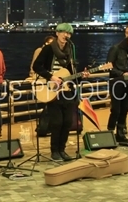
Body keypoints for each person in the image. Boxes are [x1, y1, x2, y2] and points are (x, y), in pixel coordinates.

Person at [33, 23, 89, 161]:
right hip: (51, 90)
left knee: (68, 121)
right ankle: (54, 151)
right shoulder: (48, 49)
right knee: (57, 122)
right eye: (64, 32)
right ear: (57, 33)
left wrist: (82, 75)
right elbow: (36, 66)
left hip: (66, 90)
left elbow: (71, 74)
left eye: (69, 33)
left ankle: (62, 150)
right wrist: (51, 77)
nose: (66, 35)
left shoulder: (71, 50)